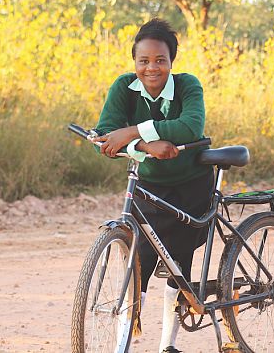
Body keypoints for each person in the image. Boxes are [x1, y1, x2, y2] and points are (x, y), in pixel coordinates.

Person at [93, 18, 213, 353]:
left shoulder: (188, 85)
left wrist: (132, 133)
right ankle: (122, 346)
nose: (151, 68)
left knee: (179, 260)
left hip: (191, 183)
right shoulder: (123, 88)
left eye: (160, 60)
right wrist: (147, 146)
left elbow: (190, 127)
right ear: (135, 62)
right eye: (143, 61)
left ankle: (167, 346)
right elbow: (105, 134)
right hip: (149, 185)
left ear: (172, 61)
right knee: (141, 261)